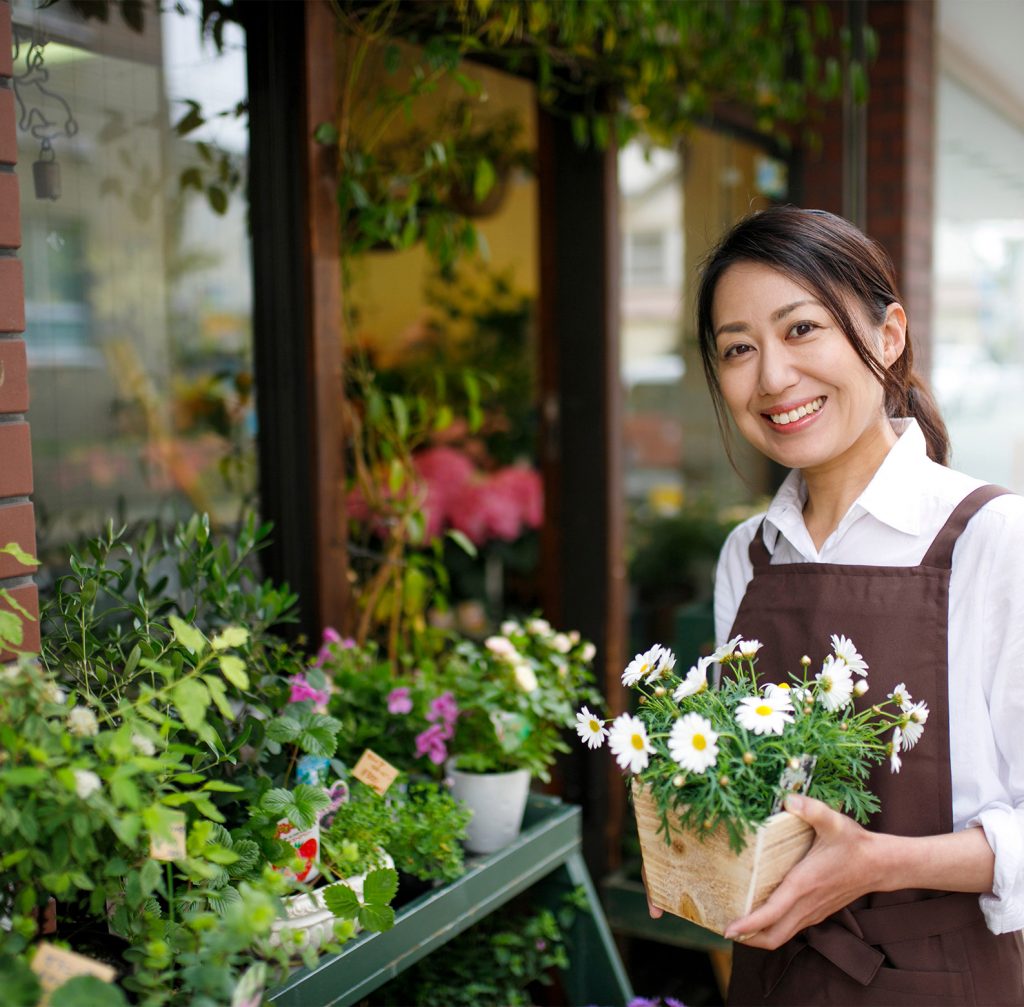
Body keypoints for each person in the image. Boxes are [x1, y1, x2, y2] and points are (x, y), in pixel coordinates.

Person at [659, 205, 1024, 1005]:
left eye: (801, 330)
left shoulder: (988, 538)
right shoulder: (750, 555)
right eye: (739, 349)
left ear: (888, 335)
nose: (773, 378)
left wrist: (882, 861)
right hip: (775, 976)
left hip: (944, 980)